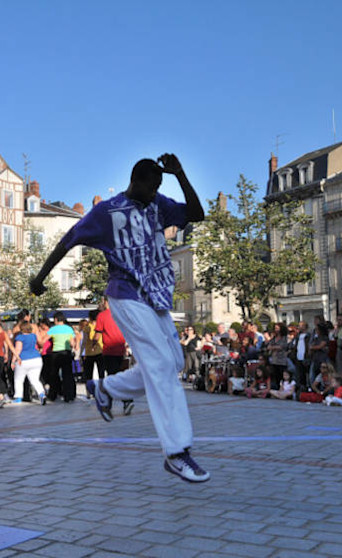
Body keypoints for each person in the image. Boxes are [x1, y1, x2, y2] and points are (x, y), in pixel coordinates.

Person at [30, 153, 210, 482]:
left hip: (156, 297)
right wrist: (39, 279)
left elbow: (196, 214)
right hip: (126, 295)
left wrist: (180, 174)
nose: (154, 193)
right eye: (151, 187)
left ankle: (106, 388)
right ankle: (176, 451)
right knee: (160, 367)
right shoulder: (106, 213)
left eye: (158, 188)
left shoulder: (158, 204)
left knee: (172, 363)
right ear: (135, 181)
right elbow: (67, 241)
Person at [94, 298, 134, 415]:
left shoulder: (102, 315)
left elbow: (97, 334)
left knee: (113, 378)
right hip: (120, 351)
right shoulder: (121, 314)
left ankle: (124, 401)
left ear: (106, 302)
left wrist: (93, 343)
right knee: (117, 377)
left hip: (109, 351)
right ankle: (114, 402)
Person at [12, 322, 44, 404]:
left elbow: (18, 350)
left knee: (18, 379)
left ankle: (18, 397)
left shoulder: (20, 337)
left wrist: (13, 361)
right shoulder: (34, 336)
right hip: (36, 359)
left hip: (23, 360)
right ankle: (41, 394)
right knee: (35, 379)